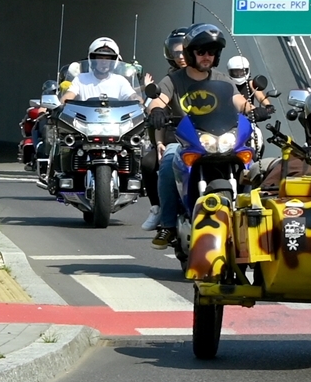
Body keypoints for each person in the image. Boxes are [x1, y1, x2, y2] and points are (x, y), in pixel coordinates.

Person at [150, 23, 248, 246]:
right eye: (201, 51)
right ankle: (167, 225)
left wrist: (253, 109)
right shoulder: (173, 80)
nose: (206, 56)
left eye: (211, 52)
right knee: (168, 161)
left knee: (250, 162)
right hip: (186, 141)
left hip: (220, 138)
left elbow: (239, 101)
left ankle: (250, 216)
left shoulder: (223, 79)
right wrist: (156, 110)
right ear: (189, 53)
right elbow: (158, 100)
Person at [141, 27, 190, 229]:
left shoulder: (214, 77)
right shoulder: (170, 80)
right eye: (176, 52)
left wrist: (253, 109)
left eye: (184, 51)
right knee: (149, 163)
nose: (181, 57)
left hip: (210, 137)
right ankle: (160, 212)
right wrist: (159, 142)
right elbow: (159, 105)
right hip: (178, 137)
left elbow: (235, 99)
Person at [63, 37, 139, 102]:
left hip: (114, 115)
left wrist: (140, 102)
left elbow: (133, 97)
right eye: (100, 58)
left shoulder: (120, 81)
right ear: (92, 60)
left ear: (113, 62)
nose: (104, 62)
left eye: (108, 59)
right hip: (85, 115)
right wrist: (62, 104)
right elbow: (68, 96)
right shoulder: (80, 79)